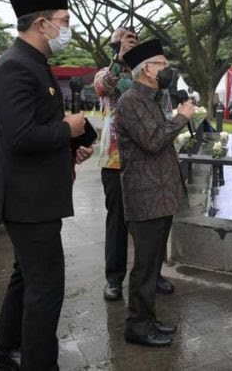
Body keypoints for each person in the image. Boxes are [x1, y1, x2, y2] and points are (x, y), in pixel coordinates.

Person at [0, 0, 93, 371]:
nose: (67, 29)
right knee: (45, 287)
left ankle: (8, 348)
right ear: (41, 23)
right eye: (64, 22)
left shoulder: (34, 62)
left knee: (26, 275)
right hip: (27, 198)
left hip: (36, 194)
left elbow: (39, 125)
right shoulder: (15, 65)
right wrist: (67, 130)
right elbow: (19, 137)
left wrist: (72, 144)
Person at [115, 39, 194, 347]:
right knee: (145, 266)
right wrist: (181, 117)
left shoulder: (151, 98)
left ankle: (148, 319)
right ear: (147, 69)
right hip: (145, 195)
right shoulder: (131, 100)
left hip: (160, 195)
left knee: (153, 264)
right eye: (161, 64)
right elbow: (152, 140)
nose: (166, 69)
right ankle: (137, 325)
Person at [94, 27, 136, 302]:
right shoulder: (105, 72)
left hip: (146, 159)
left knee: (149, 223)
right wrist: (119, 60)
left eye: (132, 41)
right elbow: (102, 87)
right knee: (117, 223)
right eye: (121, 41)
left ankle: (152, 274)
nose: (128, 45)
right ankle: (114, 278)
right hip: (115, 160)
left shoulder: (145, 72)